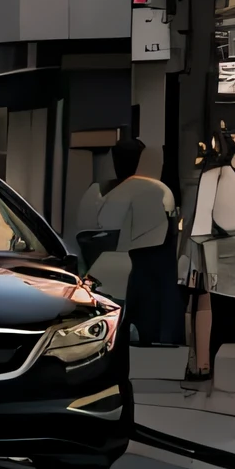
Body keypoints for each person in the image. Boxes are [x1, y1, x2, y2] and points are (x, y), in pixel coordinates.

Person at [181, 126, 235, 382]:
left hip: (212, 246)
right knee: (207, 303)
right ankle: (202, 363)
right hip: (219, 246)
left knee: (204, 302)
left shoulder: (215, 175)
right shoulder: (229, 175)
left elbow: (200, 220)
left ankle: (201, 363)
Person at [94, 135, 175, 345]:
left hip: (125, 253)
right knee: (149, 300)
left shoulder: (113, 190)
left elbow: (104, 222)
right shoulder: (159, 188)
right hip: (156, 252)